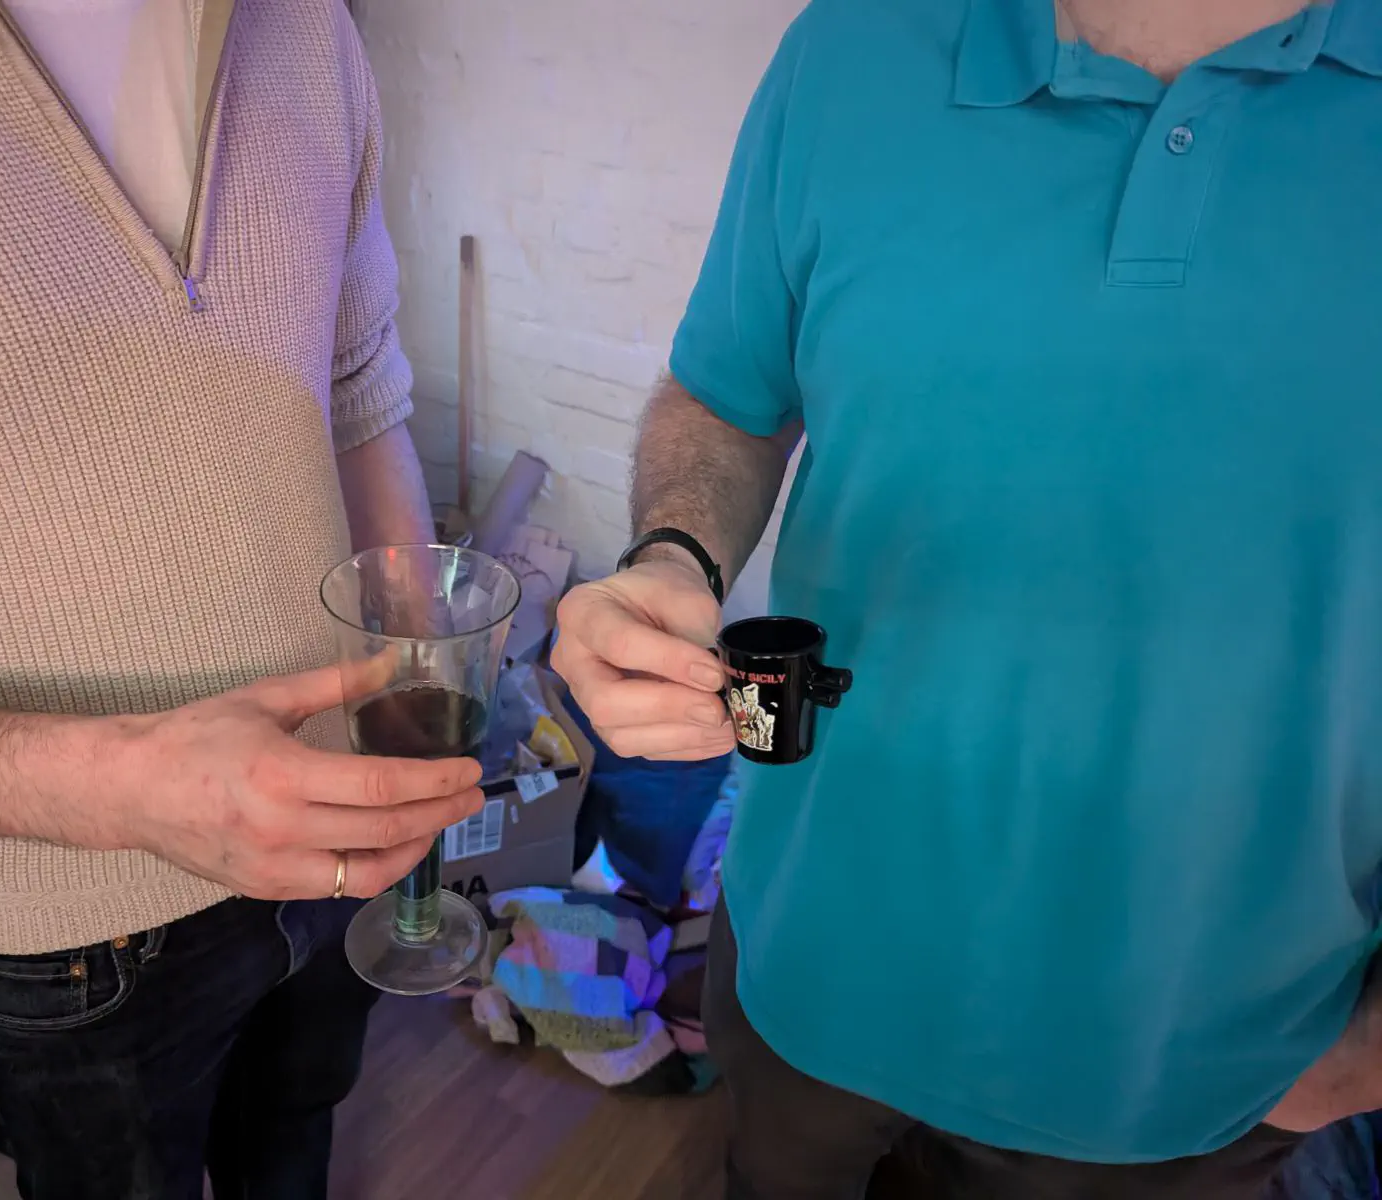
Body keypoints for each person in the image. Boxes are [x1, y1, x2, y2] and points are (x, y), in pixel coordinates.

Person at [551, 0, 1382, 1196]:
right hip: (805, 976)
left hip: (1192, 1072)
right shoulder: (849, 46)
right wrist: (672, 556)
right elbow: (726, 395)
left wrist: (1360, 1060)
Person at [0, 1, 483, 1197]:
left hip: (333, 834)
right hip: (60, 933)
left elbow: (358, 385)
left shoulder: (305, 23)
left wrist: (417, 683)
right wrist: (122, 789)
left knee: (291, 1147)